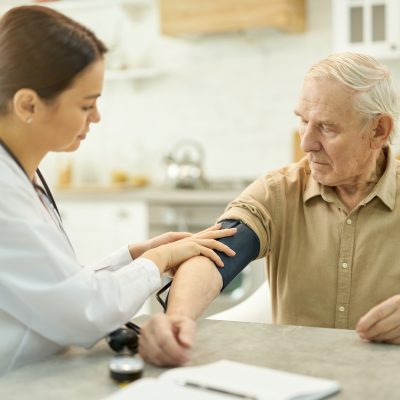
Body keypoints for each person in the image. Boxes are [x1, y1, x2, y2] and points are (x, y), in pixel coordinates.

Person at [0, 5, 238, 375]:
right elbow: (82, 313)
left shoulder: (20, 176)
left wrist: (132, 256)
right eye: (86, 104)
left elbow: (54, 288)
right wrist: (158, 262)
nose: (96, 117)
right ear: (28, 104)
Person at [138, 52, 400, 367]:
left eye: (327, 128)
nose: (306, 142)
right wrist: (178, 317)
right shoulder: (278, 191)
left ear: (378, 131)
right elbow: (212, 255)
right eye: (303, 121)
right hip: (296, 379)